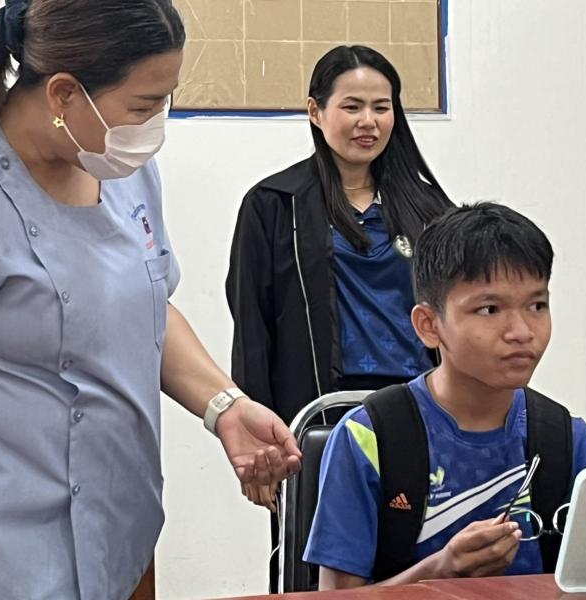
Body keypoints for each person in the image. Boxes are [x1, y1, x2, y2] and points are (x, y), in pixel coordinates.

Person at [0, 1, 300, 599]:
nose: (155, 125)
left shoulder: (121, 171)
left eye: (164, 101)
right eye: (143, 106)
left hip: (121, 533)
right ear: (64, 93)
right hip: (1, 552)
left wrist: (224, 405)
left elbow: (147, 304)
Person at [225, 46, 452, 587]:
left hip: (416, 413)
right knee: (320, 572)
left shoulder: (430, 211)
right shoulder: (274, 204)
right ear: (315, 111)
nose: (368, 122)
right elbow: (253, 331)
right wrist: (260, 443)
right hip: (319, 422)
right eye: (352, 106)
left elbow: (455, 316)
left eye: (382, 107)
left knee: (419, 562)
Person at [303, 202, 586, 589]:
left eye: (537, 305)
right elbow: (336, 598)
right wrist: (441, 570)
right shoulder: (369, 438)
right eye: (490, 309)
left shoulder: (569, 439)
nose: (521, 331)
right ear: (429, 326)